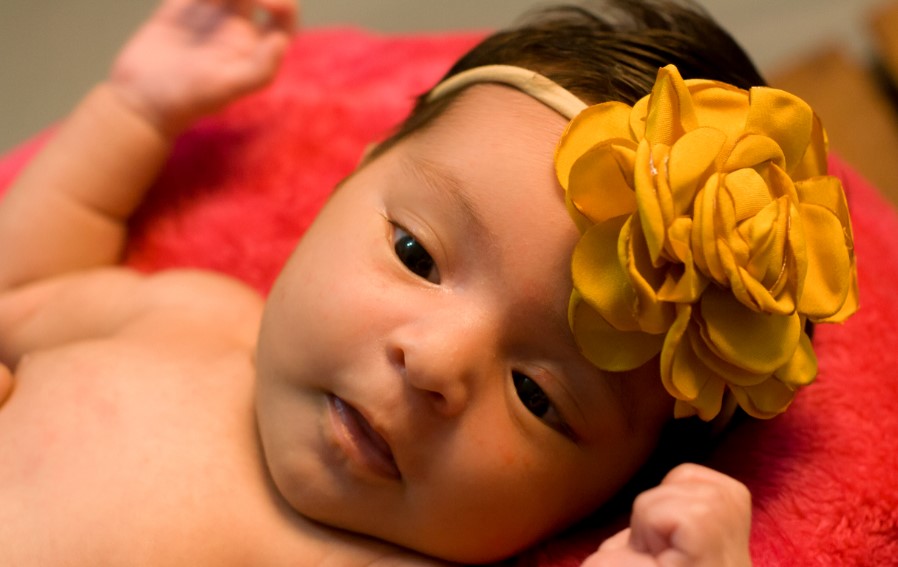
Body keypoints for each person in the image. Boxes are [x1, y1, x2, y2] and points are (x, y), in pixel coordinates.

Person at [0, 0, 856, 565]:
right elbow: (23, 288)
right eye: (415, 253)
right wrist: (133, 110)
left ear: (599, 503)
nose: (434, 363)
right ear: (353, 173)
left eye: (538, 395)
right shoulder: (188, 311)